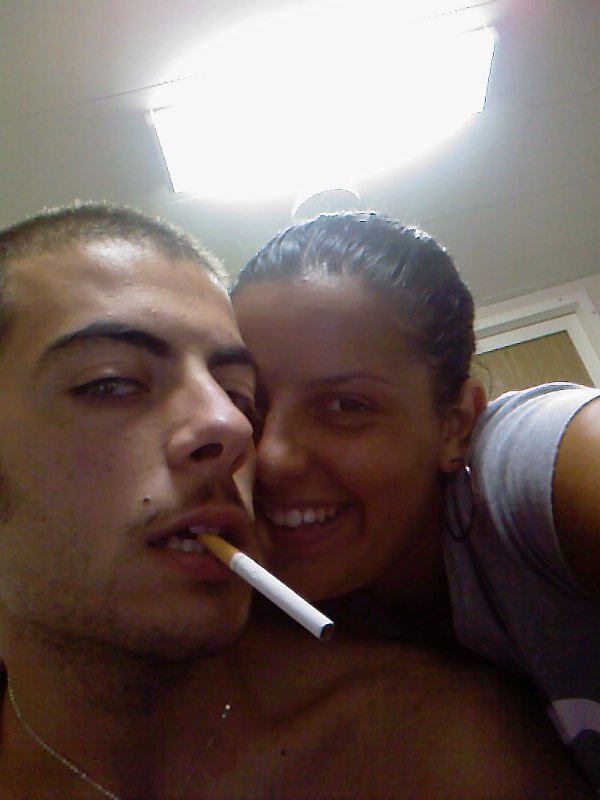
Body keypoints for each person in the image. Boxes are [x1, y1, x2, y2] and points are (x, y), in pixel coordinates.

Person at [0, 203, 590, 800]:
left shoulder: (530, 467)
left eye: (235, 396)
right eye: (110, 383)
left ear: (455, 425)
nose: (242, 435)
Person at [231, 209, 600, 792]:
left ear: (455, 425)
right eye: (246, 406)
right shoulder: (239, 604)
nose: (272, 458)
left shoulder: (528, 464)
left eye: (346, 406)